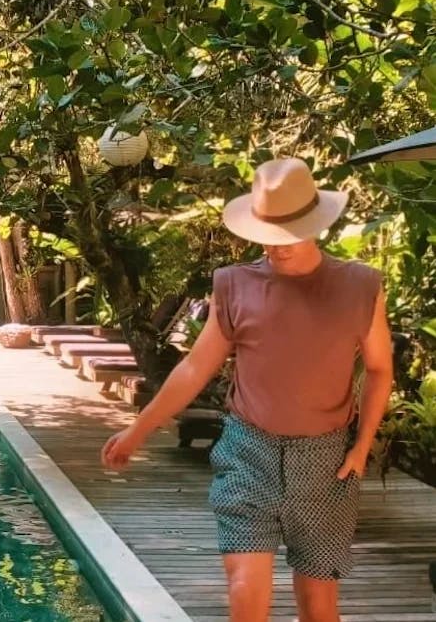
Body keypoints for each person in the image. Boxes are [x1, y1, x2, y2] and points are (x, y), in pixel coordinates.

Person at [101, 158, 394, 622]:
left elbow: (379, 370)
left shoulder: (360, 285)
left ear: (315, 224)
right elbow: (196, 367)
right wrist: (138, 431)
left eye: (286, 235)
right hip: (248, 454)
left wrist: (361, 448)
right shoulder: (235, 284)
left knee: (319, 607)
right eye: (266, 234)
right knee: (244, 593)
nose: (274, 248)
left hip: (327, 464)